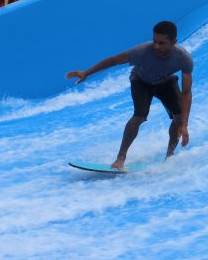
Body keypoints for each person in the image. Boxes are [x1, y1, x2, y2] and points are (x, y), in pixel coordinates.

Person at [65, 21, 193, 170]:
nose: (157, 46)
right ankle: (120, 158)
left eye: (162, 43)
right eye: (155, 41)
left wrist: (184, 124)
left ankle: (169, 156)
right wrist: (87, 72)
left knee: (179, 117)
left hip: (165, 83)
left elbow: (186, 93)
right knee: (139, 116)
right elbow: (114, 60)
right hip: (141, 82)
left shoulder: (184, 58)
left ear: (174, 42)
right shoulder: (142, 51)